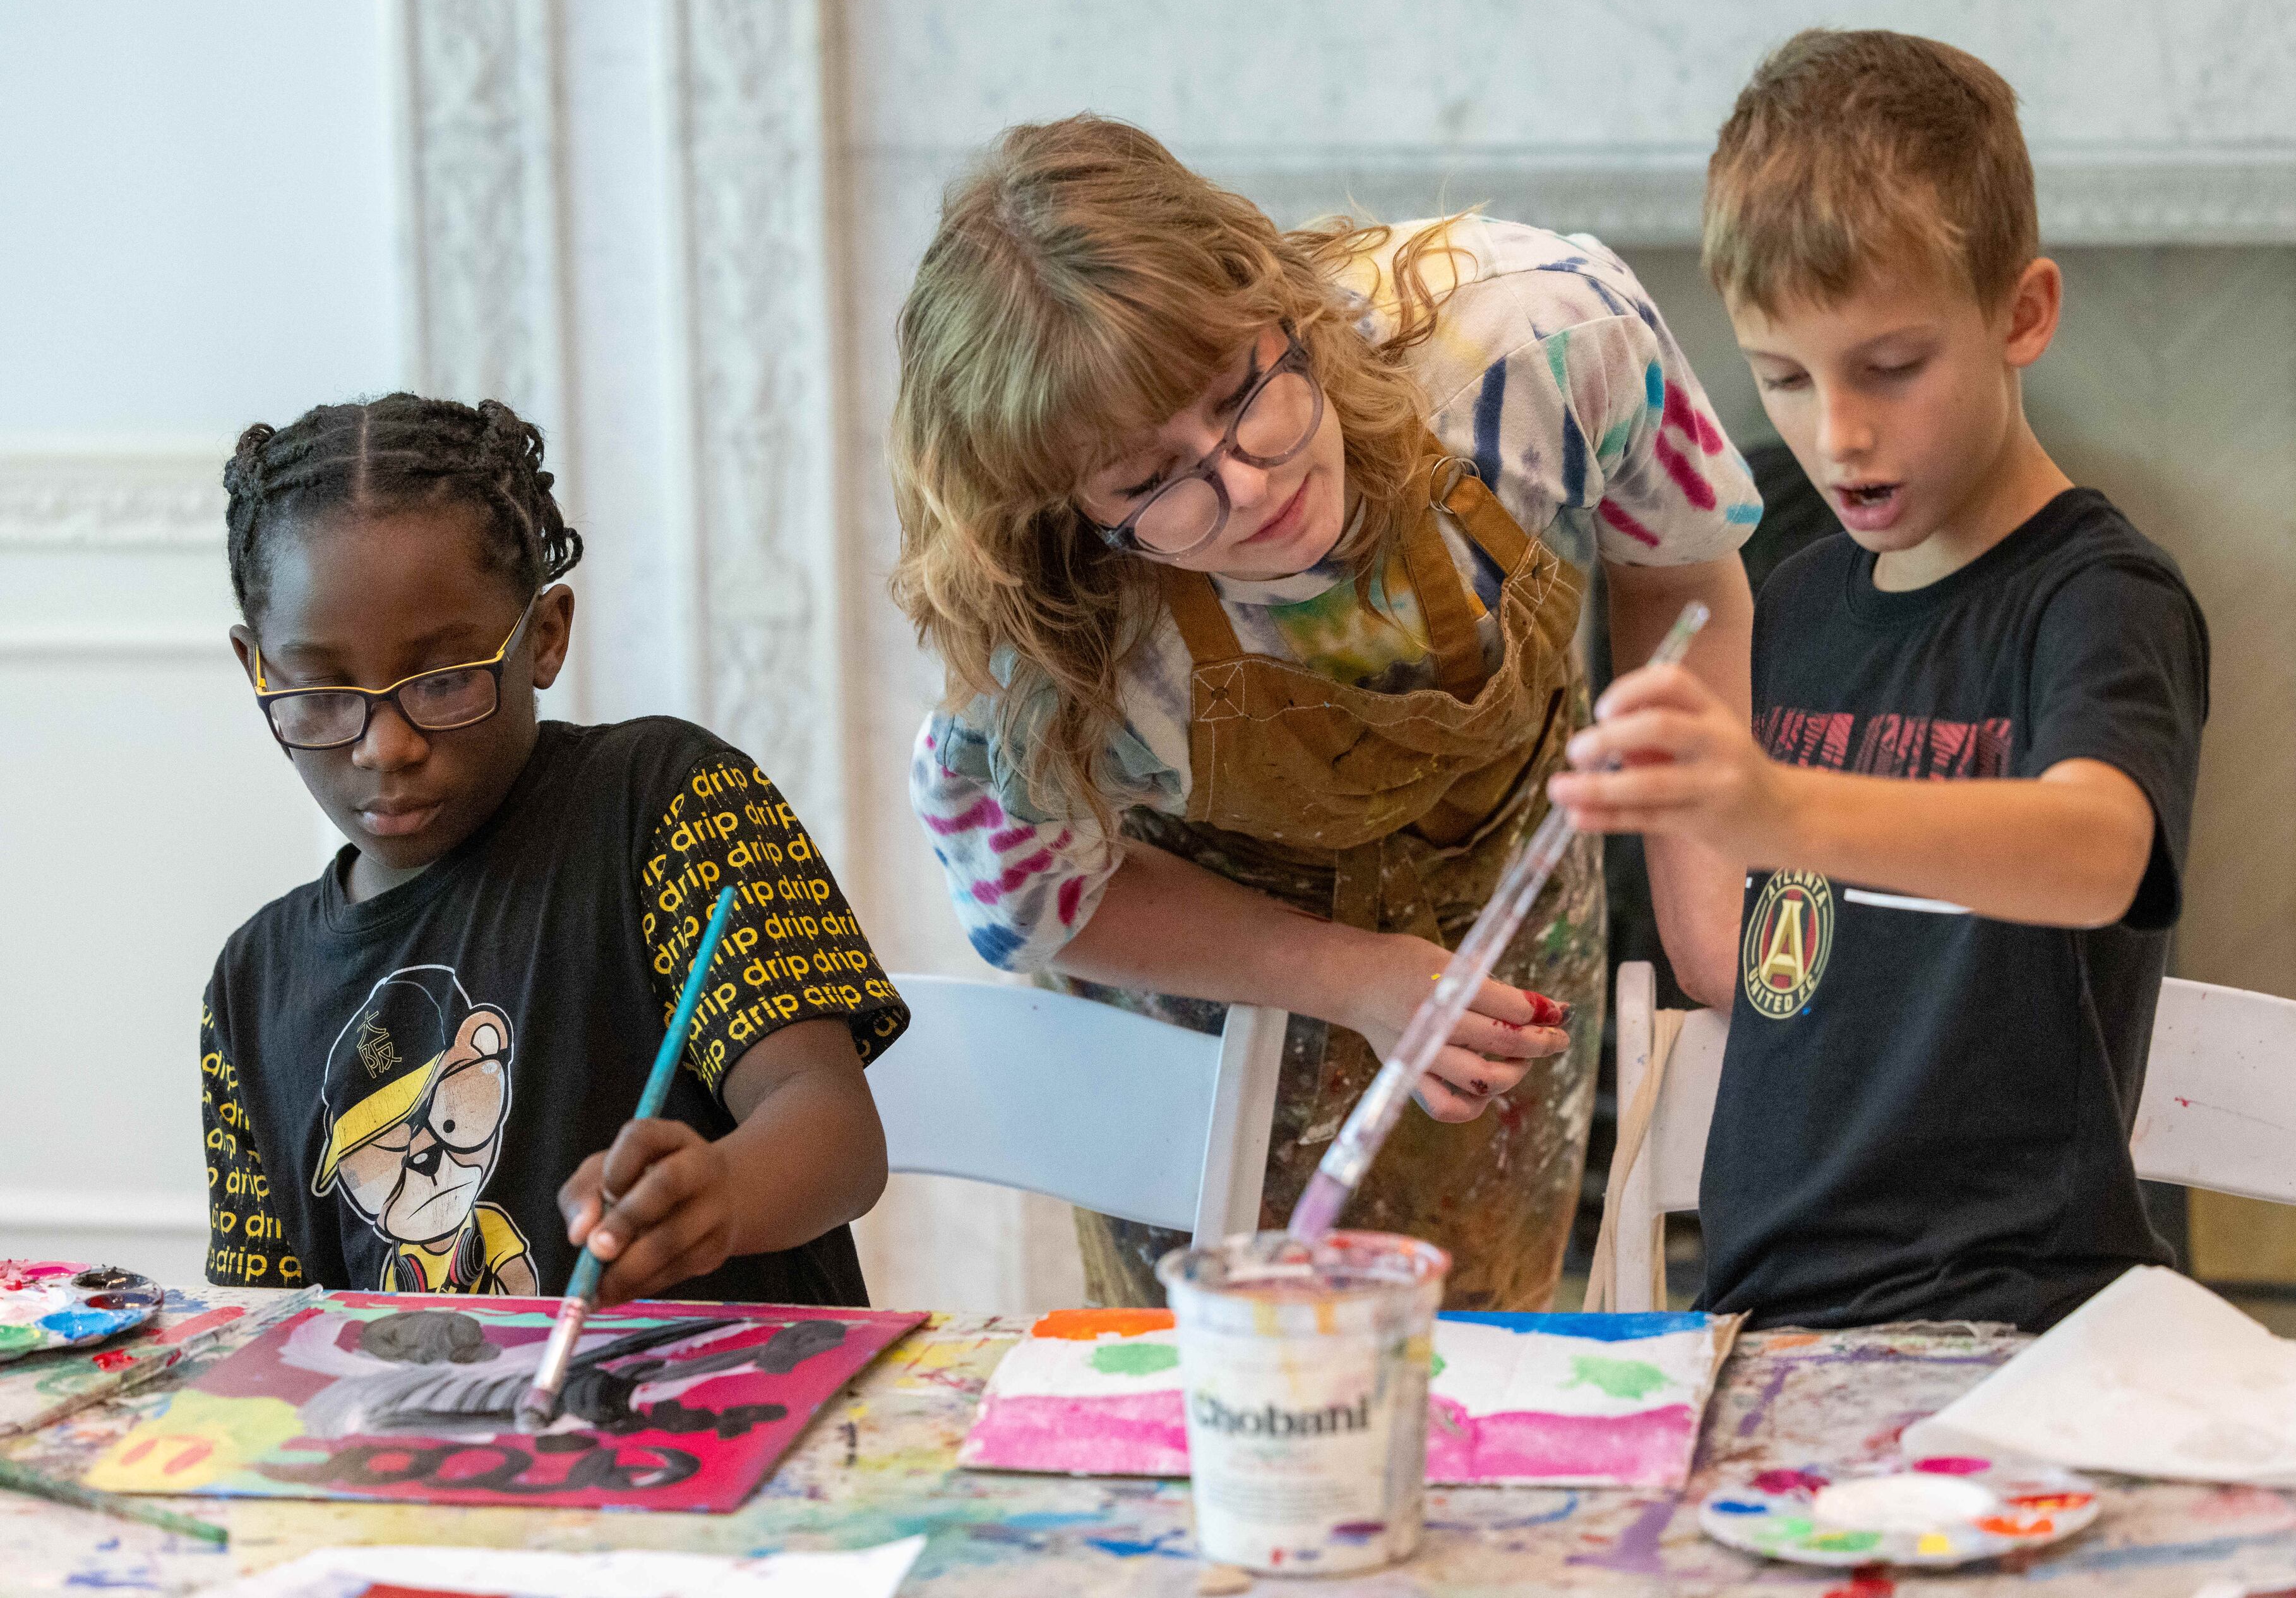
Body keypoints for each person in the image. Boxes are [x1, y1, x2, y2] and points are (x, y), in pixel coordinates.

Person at [892, 116, 1761, 1311]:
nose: (1246, 484)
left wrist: (1711, 943)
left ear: (1278, 300)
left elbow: (1684, 573)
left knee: (1475, 1380)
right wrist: (1344, 973)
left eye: (1240, 392)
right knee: (1225, 1407)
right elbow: (1040, 900)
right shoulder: (1056, 640)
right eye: (1150, 483)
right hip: (1208, 1009)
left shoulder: (1545, 341)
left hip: (1500, 908)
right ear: (1062, 510)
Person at [1552, 30, 2210, 1330]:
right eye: (1783, 377)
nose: (1836, 432)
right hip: (1768, 1309)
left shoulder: (2097, 597)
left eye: (1891, 369)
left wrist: (1785, 807)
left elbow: (2100, 852)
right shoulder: (1790, 604)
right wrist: (1681, 789)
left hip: (2020, 1316)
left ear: (2022, 313)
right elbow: (1747, 967)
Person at [201, 393, 906, 1306]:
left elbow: (837, 1137)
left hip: (729, 1431)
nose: (386, 746)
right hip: (435, 1445)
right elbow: (275, 1331)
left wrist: (724, 1194)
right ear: (256, 668)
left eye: (446, 680)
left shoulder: (666, 805)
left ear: (544, 636)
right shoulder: (253, 986)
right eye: (324, 694)